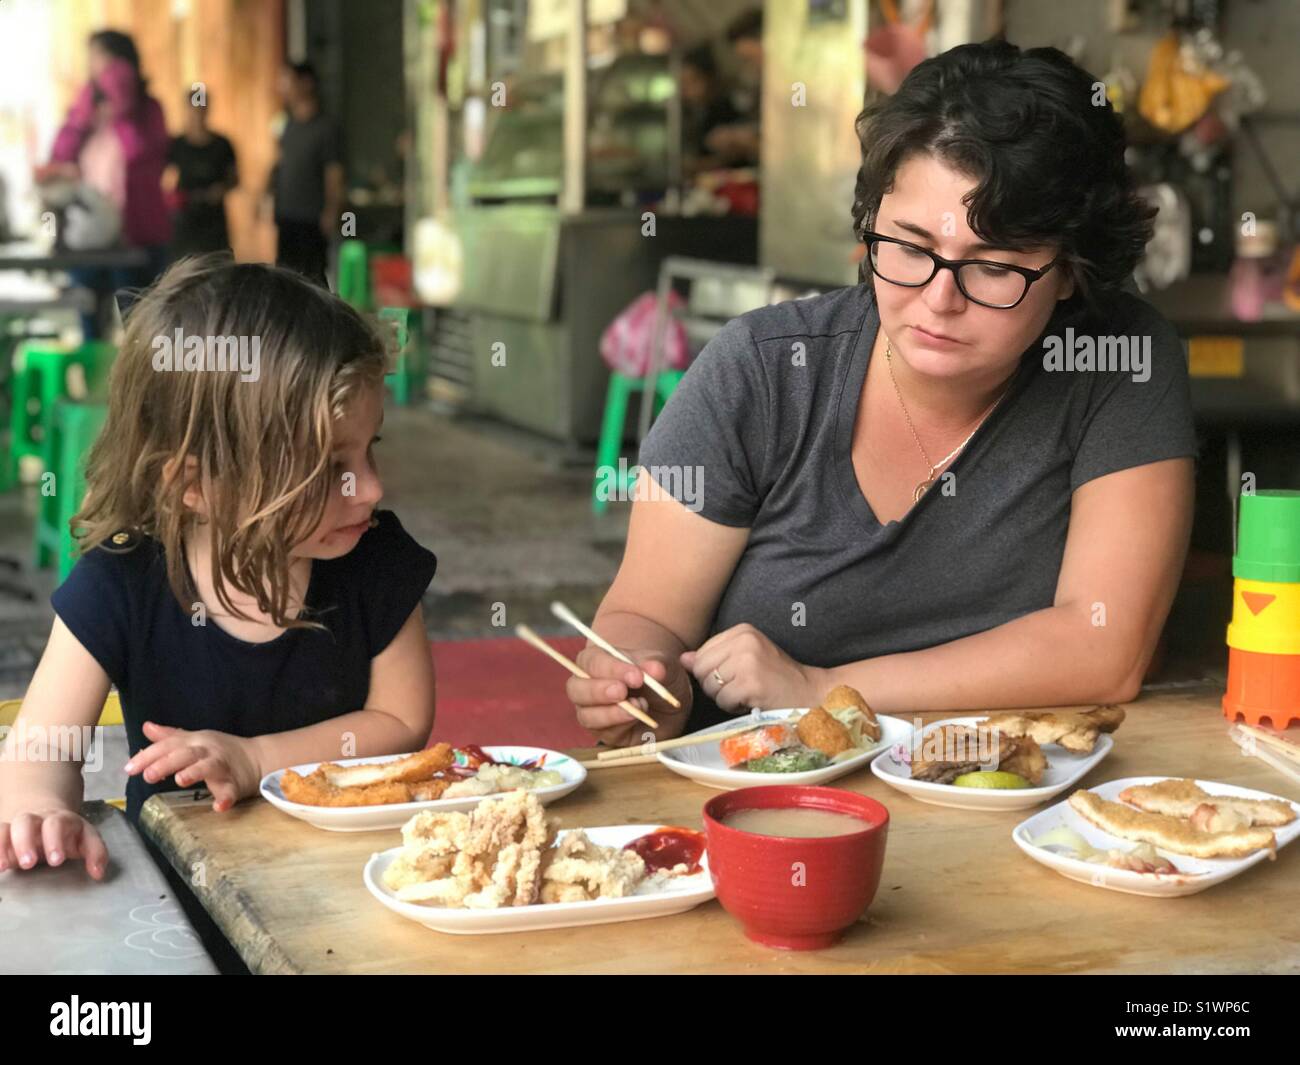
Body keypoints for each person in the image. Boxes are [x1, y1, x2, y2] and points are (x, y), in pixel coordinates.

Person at [567, 39, 1197, 746]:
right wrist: (638, 676)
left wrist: (820, 688)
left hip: (1007, 807)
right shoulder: (764, 370)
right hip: (758, 799)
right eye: (909, 245)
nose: (937, 299)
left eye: (993, 266)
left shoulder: (1116, 361)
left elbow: (1104, 649)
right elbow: (646, 613)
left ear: (1073, 271)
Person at [0, 256, 437, 970]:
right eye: (330, 466)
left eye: (371, 447)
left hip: (347, 905)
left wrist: (254, 756)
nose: (371, 488)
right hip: (176, 923)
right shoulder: (123, 583)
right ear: (195, 483)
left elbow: (400, 723)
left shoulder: (376, 561)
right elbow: (39, 748)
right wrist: (41, 811)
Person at [38, 29, 171, 334]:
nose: (99, 70)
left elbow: (142, 154)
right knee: (90, 325)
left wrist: (122, 109)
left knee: (142, 329)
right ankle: (93, 379)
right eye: (94, 61)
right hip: (89, 240)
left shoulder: (149, 110)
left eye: (105, 61)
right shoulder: (85, 112)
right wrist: (82, 116)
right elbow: (60, 156)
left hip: (138, 239)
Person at [270, 62, 344, 286]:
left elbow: (335, 172)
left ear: (306, 83)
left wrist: (332, 210)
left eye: (288, 81)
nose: (283, 88)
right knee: (285, 277)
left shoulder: (326, 127)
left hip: (312, 217)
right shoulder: (288, 124)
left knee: (312, 279)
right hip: (286, 215)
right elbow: (281, 163)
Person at [165, 89, 238, 256]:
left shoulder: (222, 144)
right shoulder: (177, 145)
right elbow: (165, 178)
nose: (197, 115)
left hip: (214, 220)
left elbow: (234, 178)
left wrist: (221, 189)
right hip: (185, 218)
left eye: (200, 109)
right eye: (193, 110)